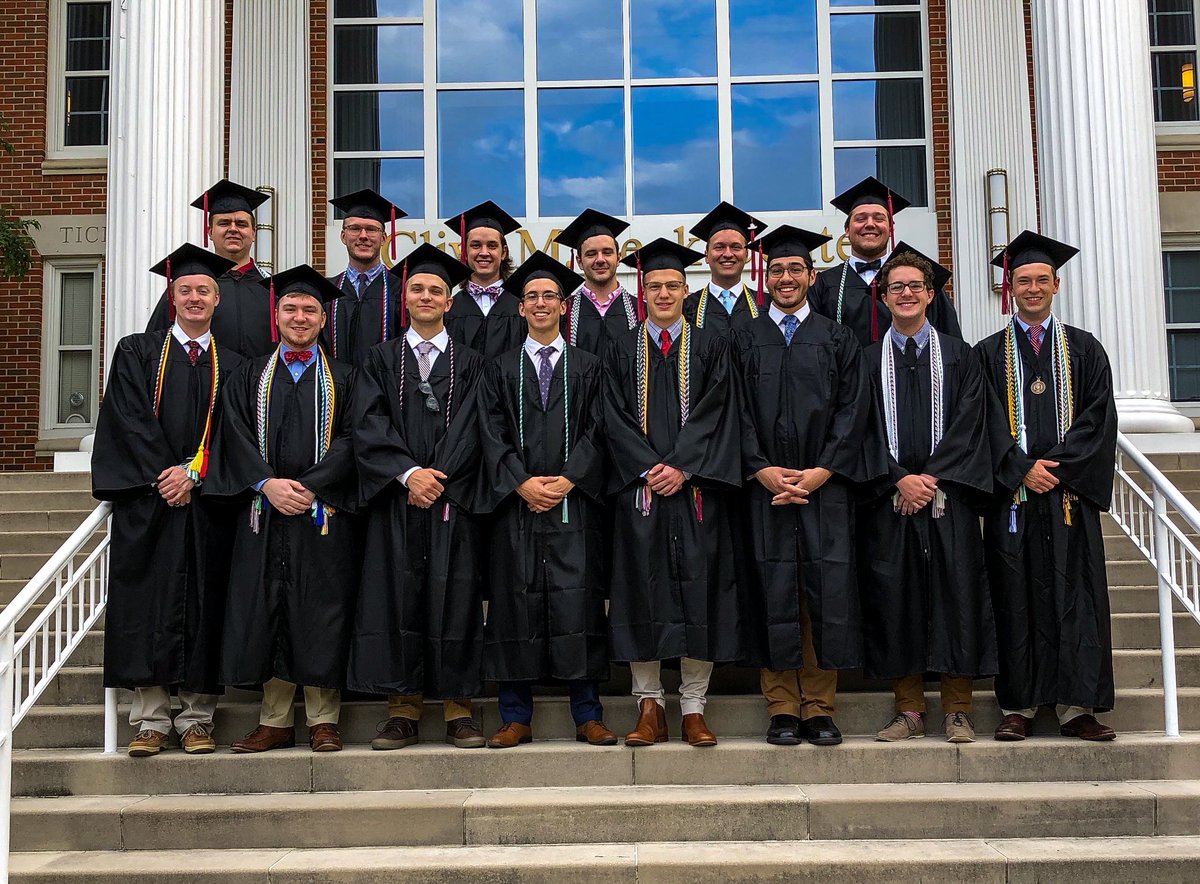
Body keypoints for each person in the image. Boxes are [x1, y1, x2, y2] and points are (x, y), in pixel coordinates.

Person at [732, 224, 884, 748]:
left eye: (796, 269)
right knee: (774, 591)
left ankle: (819, 707)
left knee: (826, 592)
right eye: (776, 269)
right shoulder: (744, 338)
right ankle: (781, 707)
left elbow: (853, 411)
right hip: (764, 488)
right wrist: (760, 468)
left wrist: (822, 471)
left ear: (811, 276)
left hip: (827, 489)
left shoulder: (837, 337)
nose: (786, 277)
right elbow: (734, 412)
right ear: (765, 278)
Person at [92, 244, 245, 757]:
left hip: (208, 503)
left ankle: (198, 718)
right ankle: (152, 720)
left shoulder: (237, 366)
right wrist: (168, 475)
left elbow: (235, 435)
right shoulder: (137, 351)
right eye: (186, 290)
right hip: (150, 503)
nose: (195, 297)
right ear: (171, 296)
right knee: (147, 604)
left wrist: (195, 474)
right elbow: (128, 421)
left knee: (208, 601)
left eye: (204, 290)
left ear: (217, 300)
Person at [205, 266, 360, 754]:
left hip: (322, 512)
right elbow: (232, 433)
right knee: (266, 604)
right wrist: (267, 483)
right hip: (263, 509)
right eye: (291, 308)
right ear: (277, 316)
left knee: (321, 607)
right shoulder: (249, 375)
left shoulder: (347, 377)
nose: (299, 316)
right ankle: (273, 719)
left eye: (309, 310)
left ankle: (323, 719)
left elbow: (357, 439)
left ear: (322, 318)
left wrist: (311, 488)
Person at [976, 231, 1118, 742]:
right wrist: (1018, 469)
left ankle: (1077, 707)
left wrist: (1051, 469)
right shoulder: (987, 354)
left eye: (1041, 280)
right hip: (1013, 503)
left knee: (1075, 598)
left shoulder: (1084, 349)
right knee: (1014, 599)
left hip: (1068, 501)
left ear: (1056, 284)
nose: (1031, 288)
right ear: (1008, 287)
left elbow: (1097, 420)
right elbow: (981, 422)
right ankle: (1018, 705)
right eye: (1022, 281)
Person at [347, 243, 489, 750]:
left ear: (449, 302)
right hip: (398, 499)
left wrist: (439, 475)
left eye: (437, 290)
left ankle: (459, 710)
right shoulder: (379, 359)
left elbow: (479, 426)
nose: (427, 296)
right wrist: (408, 475)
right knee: (397, 599)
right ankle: (402, 710)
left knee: (457, 600)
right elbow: (368, 424)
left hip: (452, 500)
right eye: (418, 288)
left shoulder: (473, 363)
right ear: (404, 297)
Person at [603, 238, 742, 748]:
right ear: (643, 292)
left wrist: (681, 466)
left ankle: (693, 708)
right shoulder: (619, 348)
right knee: (641, 589)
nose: (663, 293)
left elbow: (720, 411)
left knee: (698, 592)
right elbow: (611, 418)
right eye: (655, 285)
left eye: (673, 285)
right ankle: (648, 706)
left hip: (695, 491)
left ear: (688, 290)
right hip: (640, 493)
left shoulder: (710, 346)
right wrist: (647, 468)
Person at [476, 251, 616, 748]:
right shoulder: (497, 369)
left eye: (549, 297)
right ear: (520, 307)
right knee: (515, 604)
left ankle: (588, 713)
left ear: (563, 304)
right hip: (516, 506)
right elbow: (488, 431)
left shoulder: (590, 366)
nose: (540, 304)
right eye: (531, 296)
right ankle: (515, 716)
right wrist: (520, 481)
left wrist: (570, 479)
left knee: (577, 604)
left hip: (573, 505)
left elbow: (602, 429)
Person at [859, 248, 997, 744]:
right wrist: (898, 478)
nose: (907, 294)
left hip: (947, 501)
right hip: (891, 501)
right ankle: (910, 710)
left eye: (916, 286)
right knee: (898, 600)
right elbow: (861, 429)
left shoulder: (960, 356)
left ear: (931, 294)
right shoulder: (866, 359)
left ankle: (958, 710)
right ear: (884, 297)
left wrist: (931, 479)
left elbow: (971, 425)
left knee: (955, 596)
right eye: (897, 287)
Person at [810, 177, 961, 347]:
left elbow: (951, 345)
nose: (870, 224)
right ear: (846, 230)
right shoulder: (823, 284)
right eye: (860, 219)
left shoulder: (922, 281)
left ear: (890, 229)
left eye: (879, 218)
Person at [146, 179, 275, 358]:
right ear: (210, 232)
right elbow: (154, 347)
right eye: (224, 223)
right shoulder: (188, 288)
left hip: (261, 383)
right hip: (203, 383)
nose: (233, 229)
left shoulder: (273, 290)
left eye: (241, 224)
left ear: (253, 233)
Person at [322, 188, 407, 365]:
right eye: (355, 229)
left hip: (385, 389)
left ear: (383, 238)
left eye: (371, 229)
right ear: (343, 236)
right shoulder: (326, 292)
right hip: (338, 388)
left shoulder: (402, 290)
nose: (363, 236)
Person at [443, 200, 527, 360]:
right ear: (464, 252)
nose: (484, 252)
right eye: (475, 245)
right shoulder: (449, 310)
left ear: (503, 253)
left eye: (492, 246)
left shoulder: (521, 308)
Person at [553, 209, 639, 356]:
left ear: (618, 258)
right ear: (579, 261)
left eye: (607, 252)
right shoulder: (562, 313)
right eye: (591, 254)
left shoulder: (641, 311)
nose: (600, 259)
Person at [683, 201, 769, 335]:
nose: (728, 254)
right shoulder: (686, 307)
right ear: (706, 255)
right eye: (719, 247)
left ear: (746, 255)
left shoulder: (767, 306)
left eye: (736, 247)